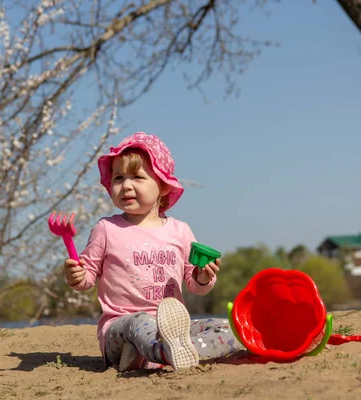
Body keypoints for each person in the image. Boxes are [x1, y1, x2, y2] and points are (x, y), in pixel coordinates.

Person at [64, 132, 240, 371]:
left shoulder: (180, 231)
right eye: (118, 178)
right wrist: (75, 275)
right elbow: (86, 277)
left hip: (173, 326)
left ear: (163, 186)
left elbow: (194, 284)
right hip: (120, 328)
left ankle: (161, 354)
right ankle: (162, 353)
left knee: (230, 329)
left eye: (137, 177)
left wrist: (203, 276)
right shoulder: (107, 229)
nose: (126, 185)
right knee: (138, 323)